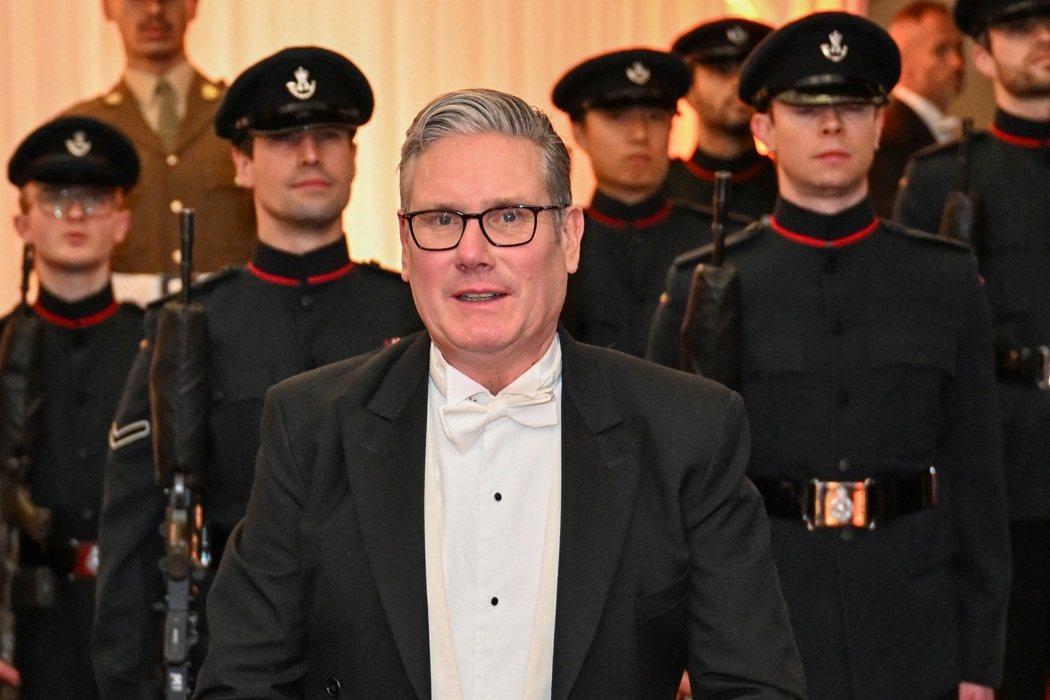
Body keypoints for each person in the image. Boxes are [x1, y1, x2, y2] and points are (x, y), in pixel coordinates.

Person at [193, 87, 806, 699]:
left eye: (509, 216)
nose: (472, 253)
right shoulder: (309, 427)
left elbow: (755, 688)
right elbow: (240, 683)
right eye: (441, 220)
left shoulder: (688, 432)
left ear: (570, 237)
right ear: (405, 246)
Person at [648, 12, 1010, 699]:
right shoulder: (708, 283)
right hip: (767, 617)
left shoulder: (943, 279)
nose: (833, 127)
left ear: (879, 124)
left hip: (913, 620)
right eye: (807, 109)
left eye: (852, 107)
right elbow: (670, 487)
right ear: (764, 128)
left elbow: (978, 481)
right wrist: (682, 646)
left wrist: (979, 662)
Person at [91, 46, 423, 698]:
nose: (310, 155)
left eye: (329, 136)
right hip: (236, 659)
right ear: (241, 164)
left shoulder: (412, 312)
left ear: (355, 157)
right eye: (283, 139)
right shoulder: (190, 326)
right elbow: (132, 534)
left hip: (395, 655)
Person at [896, 1, 1050, 696]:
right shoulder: (942, 179)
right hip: (1000, 466)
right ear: (981, 56)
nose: (1042, 37)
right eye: (1018, 27)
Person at [5, 116, 144, 698]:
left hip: (139, 619)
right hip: (27, 630)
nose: (78, 214)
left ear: (122, 222)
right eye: (57, 199)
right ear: (23, 223)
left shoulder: (158, 348)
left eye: (95, 198)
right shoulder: (3, 350)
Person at [64, 0, 254, 304]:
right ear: (107, 7)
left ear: (193, 5)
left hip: (232, 319)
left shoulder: (242, 118)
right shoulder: (81, 132)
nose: (154, 9)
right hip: (125, 324)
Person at [553, 48, 723, 358]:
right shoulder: (554, 243)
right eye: (617, 117)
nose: (640, 134)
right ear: (579, 132)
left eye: (655, 117)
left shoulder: (716, 243)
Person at [666, 17, 778, 220]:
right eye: (722, 70)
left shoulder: (792, 187)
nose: (738, 84)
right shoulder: (661, 193)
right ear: (688, 88)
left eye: (749, 71)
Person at [868, 1, 966, 216]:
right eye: (941, 50)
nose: (957, 62)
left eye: (959, 48)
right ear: (902, 59)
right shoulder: (888, 139)